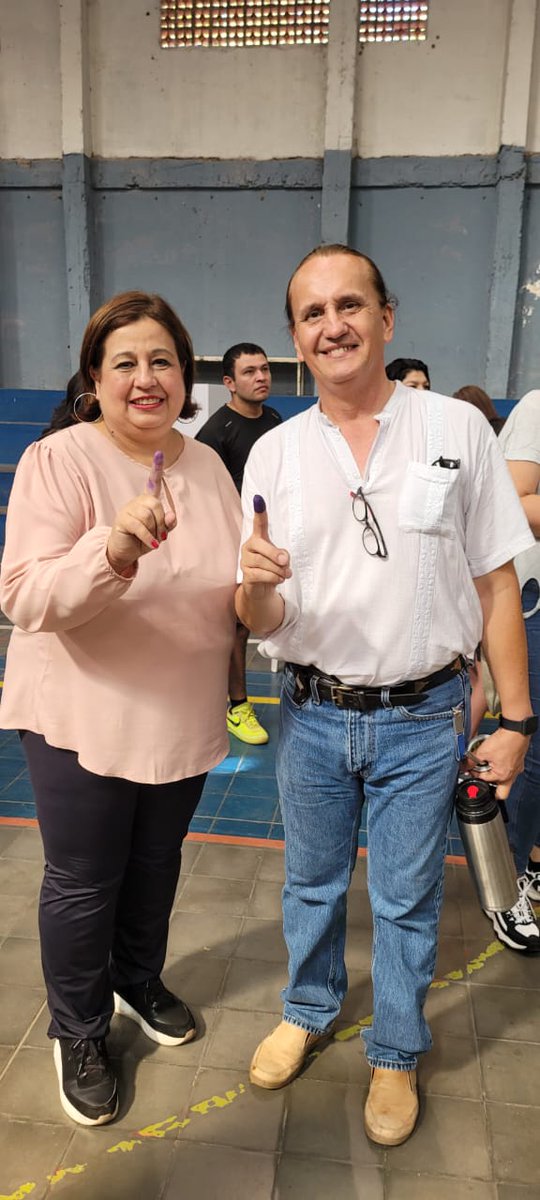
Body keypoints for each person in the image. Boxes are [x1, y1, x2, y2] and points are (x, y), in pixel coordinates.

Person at [235, 244, 537, 1147]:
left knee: (405, 899)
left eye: (350, 305)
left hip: (425, 715)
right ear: (296, 337)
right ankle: (310, 1007)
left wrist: (518, 717)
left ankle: (397, 1051)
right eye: (313, 312)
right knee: (312, 884)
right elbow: (260, 611)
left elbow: (494, 583)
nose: (333, 324)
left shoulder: (455, 430)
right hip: (312, 713)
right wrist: (250, 588)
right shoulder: (276, 455)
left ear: (386, 317)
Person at [0, 291, 241, 1127]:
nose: (147, 378)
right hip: (81, 713)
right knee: (82, 880)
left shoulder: (207, 465)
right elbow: (26, 597)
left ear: (186, 374)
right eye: (125, 363)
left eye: (162, 361)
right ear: (95, 379)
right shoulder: (60, 461)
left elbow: (224, 584)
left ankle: (137, 978)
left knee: (155, 865)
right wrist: (112, 548)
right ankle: (79, 1031)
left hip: (179, 709)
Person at [196, 343, 281, 745]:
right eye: (249, 372)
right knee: (236, 628)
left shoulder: (276, 420)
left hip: (269, 539)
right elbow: (197, 494)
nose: (261, 377)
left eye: (264, 369)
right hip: (229, 544)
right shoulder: (215, 431)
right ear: (229, 382)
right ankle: (237, 707)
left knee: (264, 619)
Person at [481, 389, 540, 949]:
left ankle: (535, 859)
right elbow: (512, 502)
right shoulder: (539, 408)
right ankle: (509, 881)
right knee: (534, 755)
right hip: (534, 600)